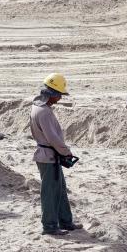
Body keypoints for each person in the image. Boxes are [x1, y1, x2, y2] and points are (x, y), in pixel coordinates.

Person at [31, 73, 80, 236]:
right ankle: (50, 226)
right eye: (59, 95)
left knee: (59, 189)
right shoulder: (44, 112)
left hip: (49, 155)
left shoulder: (38, 107)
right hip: (48, 156)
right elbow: (52, 138)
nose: (60, 98)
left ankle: (65, 221)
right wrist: (66, 152)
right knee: (50, 193)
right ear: (51, 94)